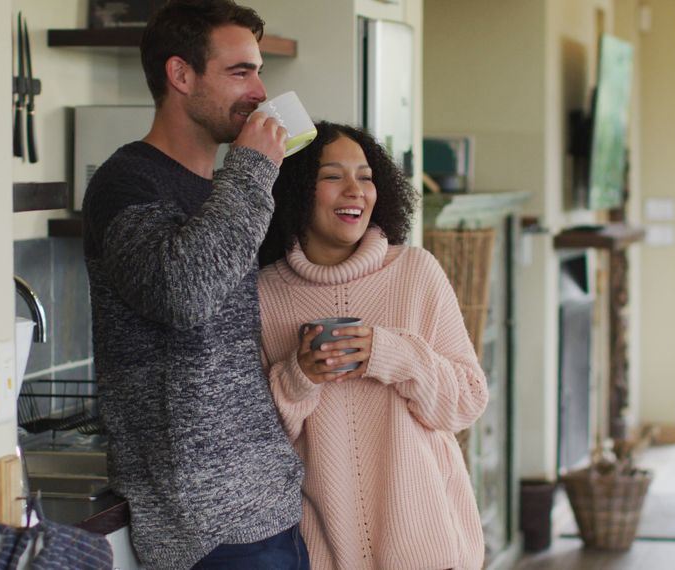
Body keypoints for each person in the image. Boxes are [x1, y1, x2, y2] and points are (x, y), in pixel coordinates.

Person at [80, 1, 307, 568]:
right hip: (203, 527)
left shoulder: (223, 189)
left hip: (268, 506)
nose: (259, 90)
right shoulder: (126, 184)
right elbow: (184, 293)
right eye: (240, 72)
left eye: (258, 70)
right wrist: (254, 170)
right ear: (180, 75)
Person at [257, 122, 489, 570]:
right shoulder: (264, 294)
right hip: (323, 554)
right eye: (332, 176)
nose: (355, 191)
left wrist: (392, 355)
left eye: (365, 177)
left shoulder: (417, 272)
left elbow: (468, 401)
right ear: (297, 188)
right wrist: (298, 377)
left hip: (431, 551)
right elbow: (257, 444)